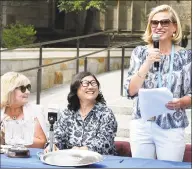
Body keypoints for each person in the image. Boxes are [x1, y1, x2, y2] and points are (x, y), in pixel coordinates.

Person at [124, 4, 191, 162]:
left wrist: (181, 102)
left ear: (174, 27)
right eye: (154, 23)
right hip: (142, 124)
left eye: (165, 22)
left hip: (172, 125)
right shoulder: (139, 53)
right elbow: (131, 91)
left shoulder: (186, 57)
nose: (159, 26)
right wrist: (147, 63)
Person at [44, 71, 118, 155]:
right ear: (76, 89)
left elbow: (105, 144)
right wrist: (53, 145)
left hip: (99, 163)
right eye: (86, 83)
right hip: (70, 161)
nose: (90, 87)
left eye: (94, 83)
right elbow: (57, 136)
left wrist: (81, 150)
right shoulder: (67, 113)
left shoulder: (106, 113)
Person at [0, 72, 47, 148]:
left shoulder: (35, 110)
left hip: (27, 157)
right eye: (22, 88)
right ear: (9, 91)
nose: (27, 92)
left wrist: (14, 134)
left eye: (28, 87)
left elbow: (41, 143)